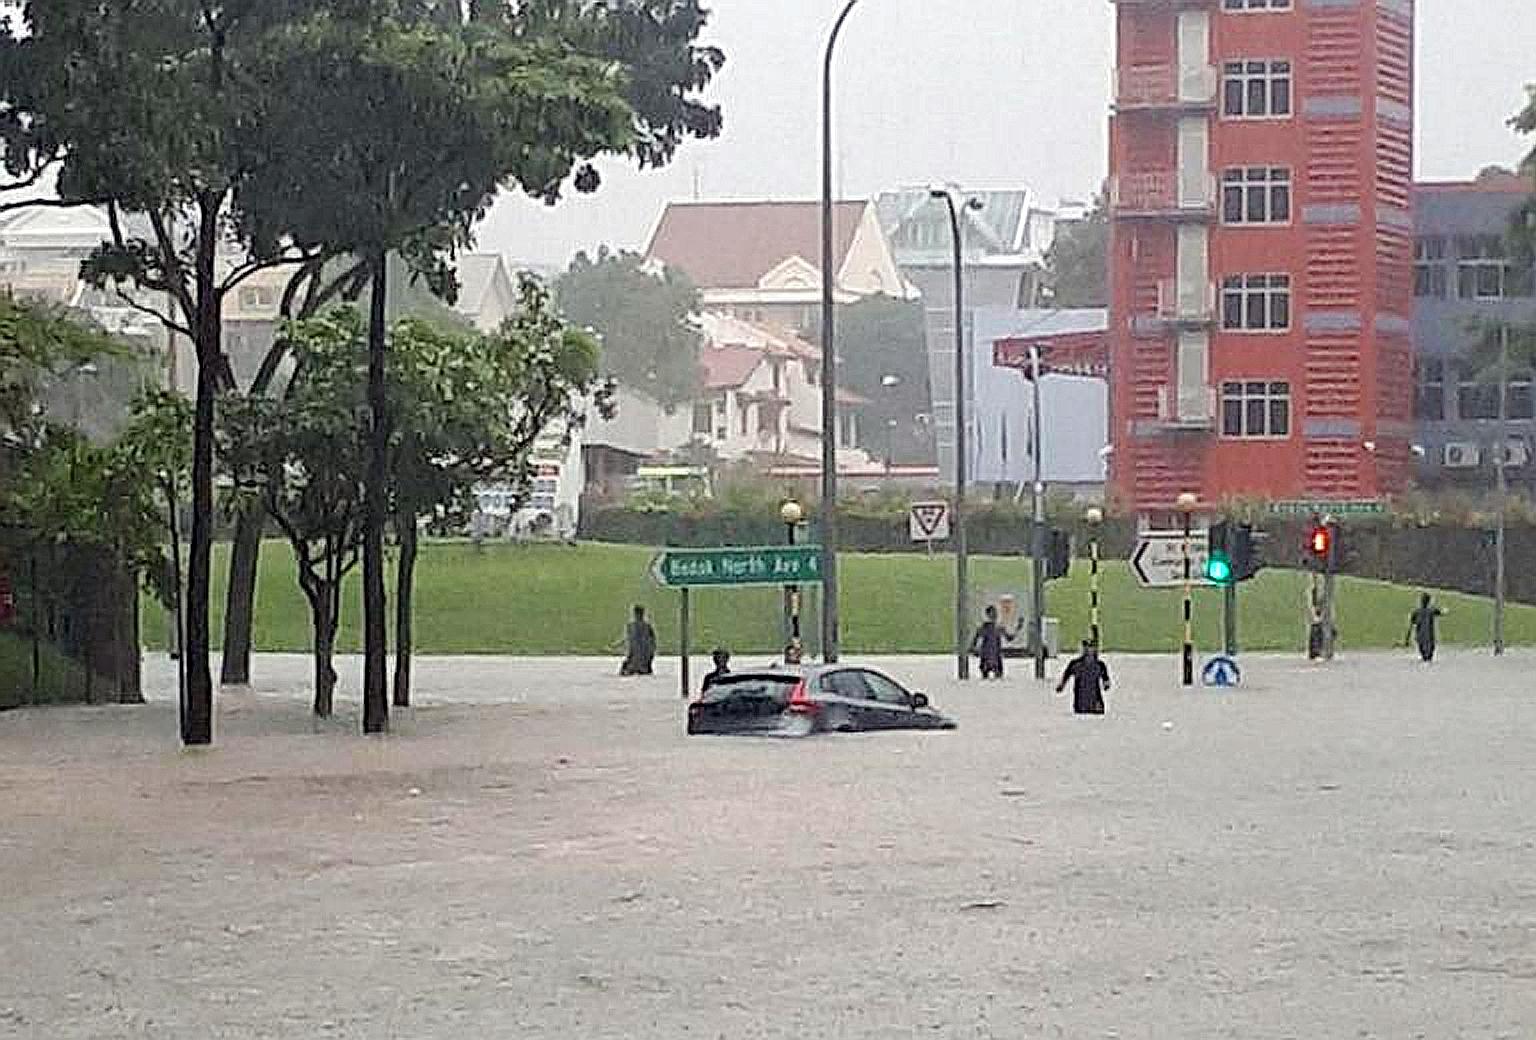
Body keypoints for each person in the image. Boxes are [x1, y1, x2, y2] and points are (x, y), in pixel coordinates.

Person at [1057, 640, 1111, 715]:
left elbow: (1106, 680)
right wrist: (1061, 686)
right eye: (1086, 647)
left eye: (1091, 647)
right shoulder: (1075, 664)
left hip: (1096, 703)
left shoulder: (1100, 665)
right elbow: (1065, 677)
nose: (1088, 650)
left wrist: (1106, 685)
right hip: (1080, 703)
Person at [1405, 592, 1445, 663]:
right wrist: (1445, 610)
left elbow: (1411, 626)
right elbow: (1441, 612)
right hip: (1429, 638)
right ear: (1429, 601)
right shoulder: (1431, 611)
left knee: (1424, 658)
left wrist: (1407, 639)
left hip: (1420, 638)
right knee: (1429, 659)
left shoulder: (1416, 612)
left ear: (1421, 601)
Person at [970, 605, 1006, 680]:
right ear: (988, 615)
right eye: (993, 613)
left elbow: (1009, 638)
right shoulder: (984, 628)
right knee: (986, 677)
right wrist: (974, 649)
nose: (995, 615)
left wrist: (1018, 628)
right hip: (986, 657)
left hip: (996, 657)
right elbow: (975, 641)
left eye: (995, 613)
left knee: (998, 678)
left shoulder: (999, 628)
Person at [619, 605, 656, 676]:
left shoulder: (631, 626)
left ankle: (636, 668)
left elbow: (630, 645)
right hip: (644, 662)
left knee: (625, 670)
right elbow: (653, 645)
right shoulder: (648, 627)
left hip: (635, 661)